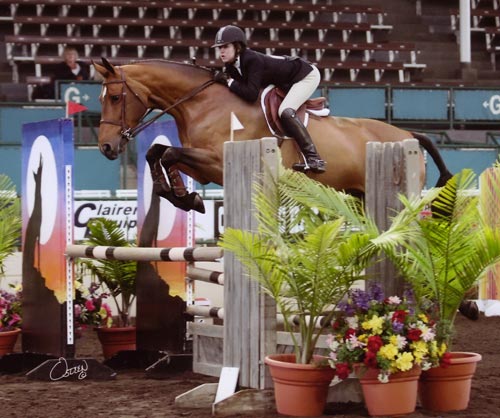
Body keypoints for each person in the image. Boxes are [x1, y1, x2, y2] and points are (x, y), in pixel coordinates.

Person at [211, 25, 326, 173]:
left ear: (237, 46)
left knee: (285, 111)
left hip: (305, 76)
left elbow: (251, 94)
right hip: (285, 80)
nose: (221, 51)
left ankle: (314, 158)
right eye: (219, 47)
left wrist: (228, 81)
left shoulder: (251, 59)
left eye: (225, 46)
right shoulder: (232, 65)